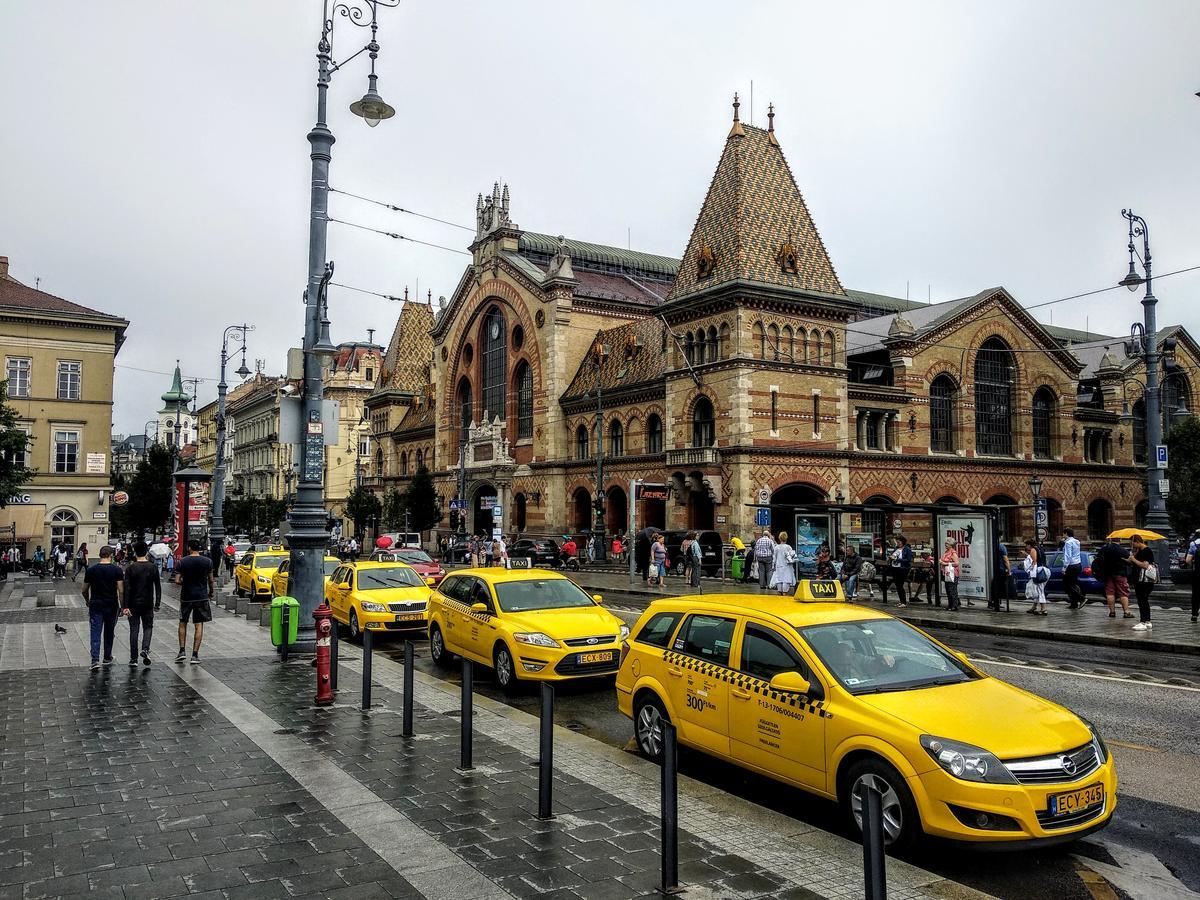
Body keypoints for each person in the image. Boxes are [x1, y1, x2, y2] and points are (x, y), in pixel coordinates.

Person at [81, 545, 124, 670]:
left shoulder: (91, 570)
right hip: (111, 605)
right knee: (109, 631)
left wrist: (87, 601)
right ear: (111, 556)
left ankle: (95, 660)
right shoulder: (117, 570)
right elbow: (121, 590)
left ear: (100, 555)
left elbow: (84, 589)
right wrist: (122, 606)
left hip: (96, 604)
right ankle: (107, 657)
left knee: (95, 632)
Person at [175, 539, 214, 664]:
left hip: (186, 596)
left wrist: (185, 582)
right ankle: (195, 655)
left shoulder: (182, 562)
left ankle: (182, 651)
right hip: (201, 596)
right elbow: (211, 580)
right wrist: (211, 591)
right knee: (199, 625)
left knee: (182, 622)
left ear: (189, 548)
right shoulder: (207, 562)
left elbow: (177, 580)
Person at [123, 541, 161, 667]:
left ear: (135, 552)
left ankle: (133, 659)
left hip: (133, 603)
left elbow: (126, 588)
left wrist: (125, 606)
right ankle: (145, 649)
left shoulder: (130, 568)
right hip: (148, 603)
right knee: (148, 627)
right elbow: (158, 587)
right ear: (146, 552)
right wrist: (157, 603)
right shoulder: (153, 567)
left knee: (134, 630)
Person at [1095, 538, 1133, 619]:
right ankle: (1126, 612)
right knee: (1123, 592)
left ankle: (1112, 612)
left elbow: (1098, 559)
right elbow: (1130, 560)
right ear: (1120, 540)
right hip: (1120, 574)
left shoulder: (1105, 548)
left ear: (1111, 540)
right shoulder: (1122, 550)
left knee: (1110, 593)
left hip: (1107, 574)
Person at [1125, 533, 1156, 631]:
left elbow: (1145, 565)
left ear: (1137, 542)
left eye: (1132, 543)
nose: (1132, 545)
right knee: (1142, 600)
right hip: (1139, 580)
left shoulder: (1147, 551)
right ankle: (1147, 621)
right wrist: (1130, 559)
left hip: (1144, 581)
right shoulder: (1139, 551)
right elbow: (1136, 563)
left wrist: (1133, 559)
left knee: (1143, 600)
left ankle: (1144, 621)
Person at [885, 536, 913, 607]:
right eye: (897, 542)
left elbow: (909, 560)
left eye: (899, 542)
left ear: (902, 541)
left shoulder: (907, 549)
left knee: (900, 585)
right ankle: (901, 601)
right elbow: (892, 556)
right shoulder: (896, 549)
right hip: (895, 568)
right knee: (897, 586)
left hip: (903, 569)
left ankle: (904, 602)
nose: (898, 543)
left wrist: (897, 560)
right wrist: (890, 558)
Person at [1061, 528, 1084, 610]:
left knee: (1067, 584)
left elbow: (1067, 556)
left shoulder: (1068, 543)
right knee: (1073, 583)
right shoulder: (1077, 541)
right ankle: (1074, 603)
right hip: (1078, 564)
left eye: (1063, 534)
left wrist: (1064, 568)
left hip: (1071, 565)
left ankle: (1081, 598)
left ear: (1066, 533)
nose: (1063, 535)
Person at [1023, 540, 1048, 615]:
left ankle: (1044, 609)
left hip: (1039, 571)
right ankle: (1034, 607)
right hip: (1045, 570)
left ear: (1029, 545)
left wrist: (1031, 571)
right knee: (1038, 589)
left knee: (1040, 590)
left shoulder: (1033, 549)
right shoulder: (1040, 549)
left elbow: (1034, 561)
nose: (1026, 547)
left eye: (1026, 545)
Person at [989, 537, 1010, 611]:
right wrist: (1009, 570)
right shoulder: (1001, 546)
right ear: (1000, 537)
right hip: (1000, 569)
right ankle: (996, 603)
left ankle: (992, 602)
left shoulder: (990, 545)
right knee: (999, 586)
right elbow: (1005, 559)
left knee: (993, 585)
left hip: (990, 568)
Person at [940, 538, 961, 611]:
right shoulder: (946, 552)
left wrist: (945, 563)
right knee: (948, 590)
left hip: (953, 574)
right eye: (945, 543)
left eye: (947, 544)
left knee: (952, 590)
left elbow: (956, 563)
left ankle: (954, 606)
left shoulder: (953, 553)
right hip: (947, 574)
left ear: (951, 545)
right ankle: (950, 605)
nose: (945, 545)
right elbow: (942, 559)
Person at [1184, 529, 1200, 624]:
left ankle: (1194, 614)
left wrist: (1193, 565)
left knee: (1196, 594)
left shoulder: (1194, 543)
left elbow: (1188, 560)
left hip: (1197, 573)